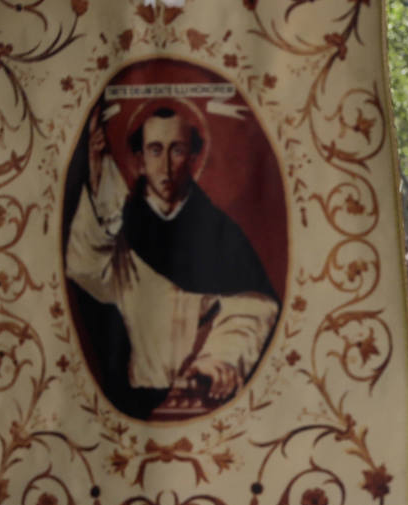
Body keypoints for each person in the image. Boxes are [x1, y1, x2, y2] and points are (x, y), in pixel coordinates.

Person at [66, 105, 279, 420]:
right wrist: (98, 181)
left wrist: (218, 360)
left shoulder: (218, 232)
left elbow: (252, 307)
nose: (165, 166)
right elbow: (87, 272)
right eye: (155, 150)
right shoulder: (123, 235)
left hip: (203, 400)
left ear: (193, 159)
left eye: (176, 150)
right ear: (139, 160)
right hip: (134, 405)